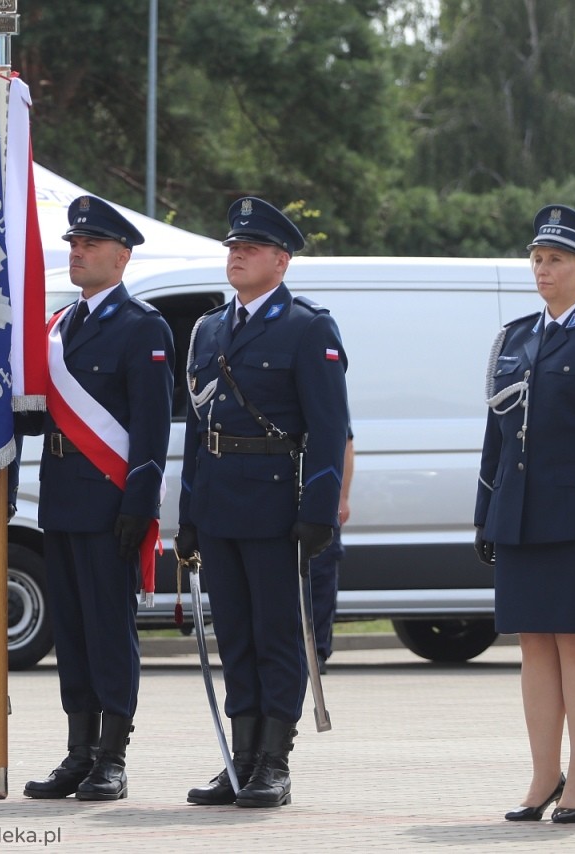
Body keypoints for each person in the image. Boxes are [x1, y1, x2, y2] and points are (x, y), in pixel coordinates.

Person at [178, 197, 349, 809]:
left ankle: (274, 762)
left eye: (249, 248)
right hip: (221, 503)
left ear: (281, 261)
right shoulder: (209, 330)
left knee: (278, 635)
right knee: (237, 637)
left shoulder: (307, 327)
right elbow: (200, 430)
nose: (237, 255)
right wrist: (188, 516)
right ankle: (240, 758)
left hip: (278, 505)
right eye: (232, 247)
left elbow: (330, 430)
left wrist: (318, 512)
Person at [22, 195, 174, 802]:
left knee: (109, 631)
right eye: (72, 244)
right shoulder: (58, 328)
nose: (76, 252)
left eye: (88, 244)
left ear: (122, 255)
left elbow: (151, 426)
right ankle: (77, 751)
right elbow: (36, 413)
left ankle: (112, 755)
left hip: (111, 501)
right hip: (58, 498)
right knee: (73, 631)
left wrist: (139, 502)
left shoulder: (144, 327)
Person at [475, 204, 575, 825]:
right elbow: (496, 435)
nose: (543, 269)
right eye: (537, 259)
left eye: (556, 259)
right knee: (533, 643)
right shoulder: (514, 337)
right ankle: (542, 776)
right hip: (521, 515)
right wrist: (486, 512)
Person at [311, 436, 354, 673]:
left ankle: (317, 649)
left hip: (320, 495)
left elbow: (345, 444)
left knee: (320, 576)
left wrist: (342, 497)